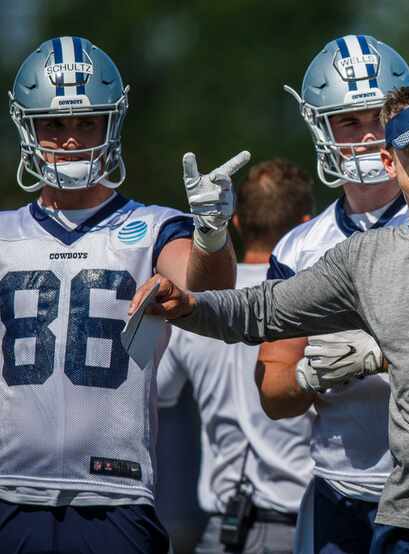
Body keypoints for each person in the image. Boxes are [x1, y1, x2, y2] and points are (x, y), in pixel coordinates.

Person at [133, 84, 409, 554]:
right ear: (390, 163)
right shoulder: (363, 256)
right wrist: (189, 306)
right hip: (407, 514)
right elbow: (263, 310)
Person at [0, 36, 244, 553]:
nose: (71, 139)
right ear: (28, 127)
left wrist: (211, 233)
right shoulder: (4, 233)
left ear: (111, 123)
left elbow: (212, 287)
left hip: (117, 494)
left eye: (86, 122)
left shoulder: (152, 225)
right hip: (9, 492)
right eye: (55, 124)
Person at [259, 35, 409, 553]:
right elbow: (274, 393)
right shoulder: (301, 247)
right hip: (344, 488)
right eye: (349, 121)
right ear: (320, 126)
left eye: (377, 117)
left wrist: (392, 353)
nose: (368, 136)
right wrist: (311, 374)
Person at [157, 159, 316, 553]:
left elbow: (159, 392)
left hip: (221, 526)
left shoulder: (197, 300)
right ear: (307, 223)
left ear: (239, 224)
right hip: (302, 522)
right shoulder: (314, 298)